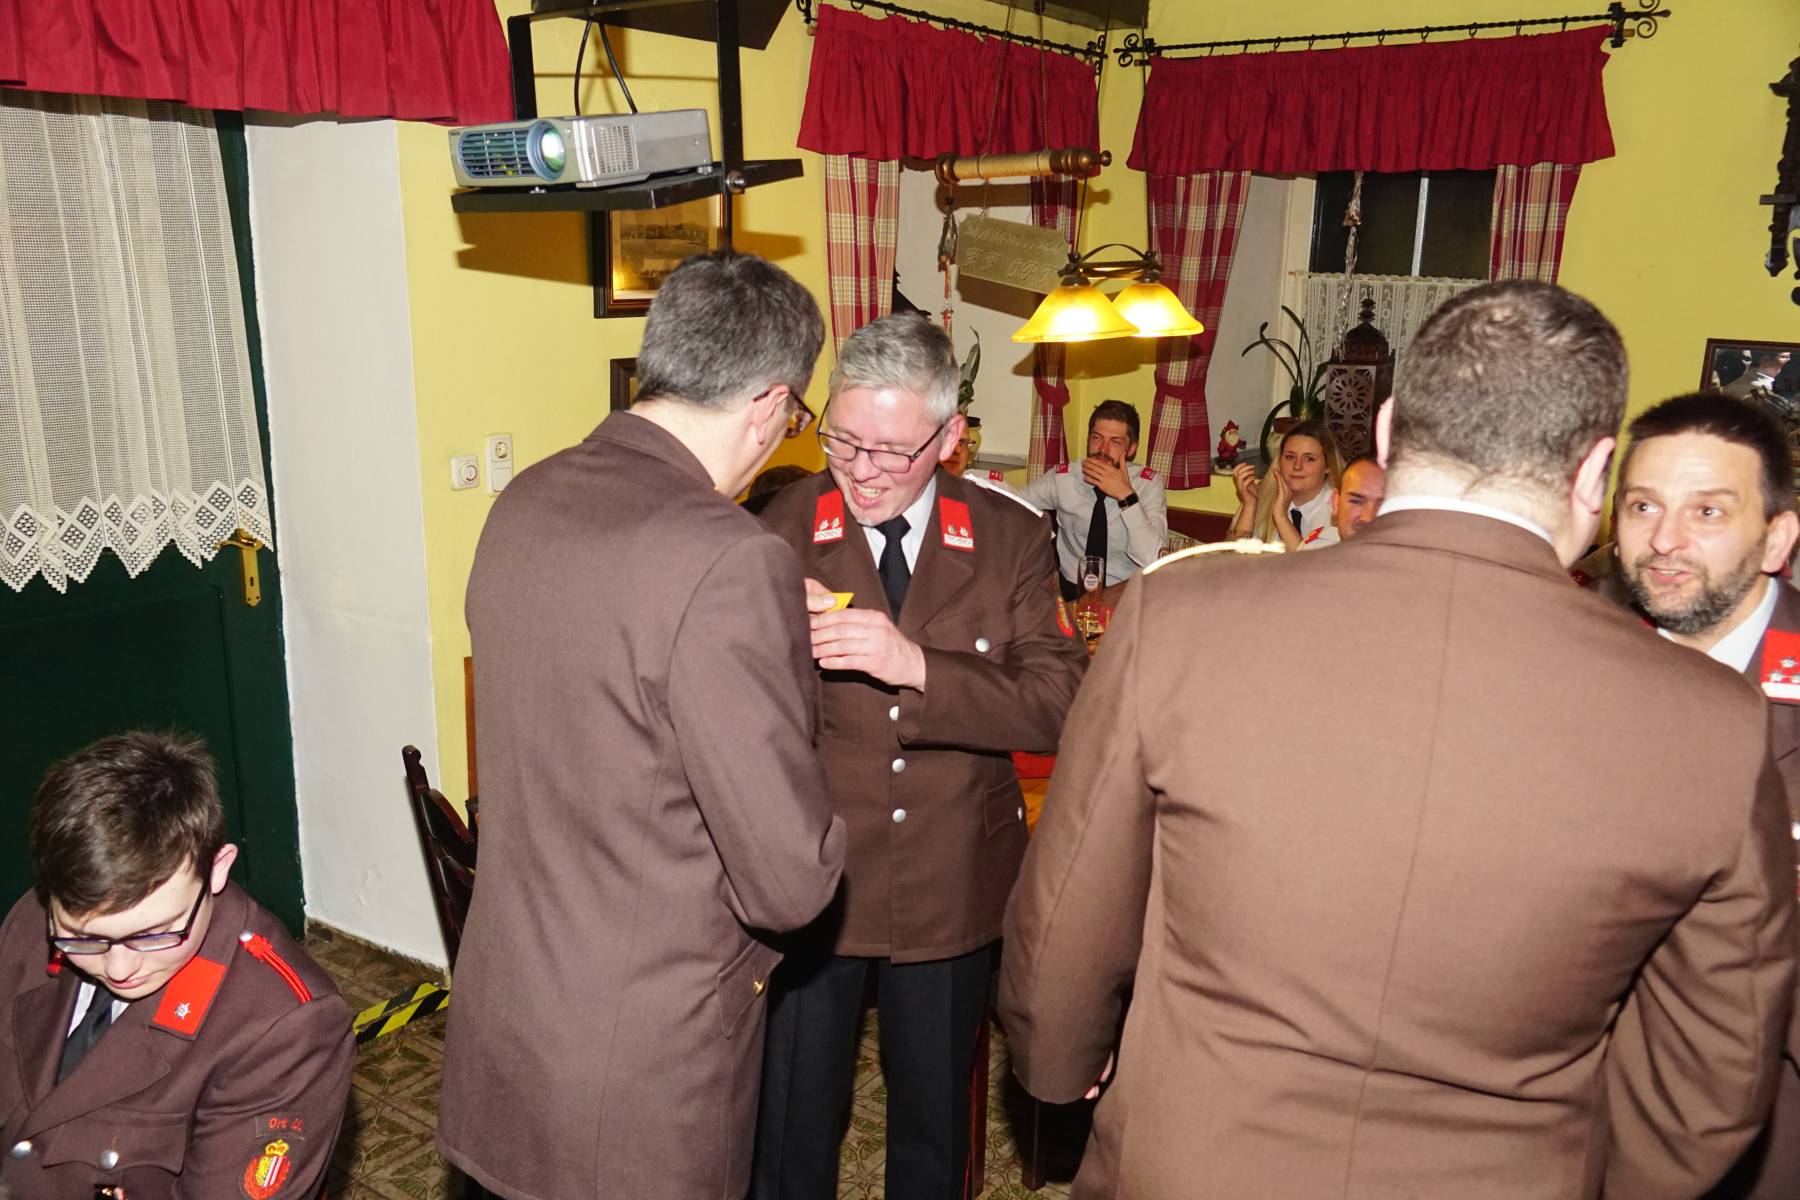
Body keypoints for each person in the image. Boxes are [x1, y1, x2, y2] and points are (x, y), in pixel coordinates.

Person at [1000, 280, 1797, 1200]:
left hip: (1196, 1158)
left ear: (1385, 434)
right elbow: (1717, 1062)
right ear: (1596, 474)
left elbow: (1068, 910)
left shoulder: (1180, 619)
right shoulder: (1712, 719)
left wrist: (1057, 1065)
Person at [438, 251, 848, 1200]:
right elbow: (788, 882)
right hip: (637, 1061)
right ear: (769, 404)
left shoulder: (528, 496)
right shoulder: (729, 557)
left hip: (508, 1006)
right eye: (795, 419)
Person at [752, 313, 1087, 1200]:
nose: (861, 470)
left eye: (892, 452)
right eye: (842, 442)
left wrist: (917, 667)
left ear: (948, 438)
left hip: (951, 876)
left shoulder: (1009, 536)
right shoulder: (779, 529)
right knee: (790, 1126)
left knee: (935, 1133)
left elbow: (1063, 704)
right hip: (815, 877)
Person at [0, 731, 353, 1199]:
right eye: (85, 938)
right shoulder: (32, 919)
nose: (120, 967)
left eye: (155, 933)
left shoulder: (284, 1027)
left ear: (218, 868)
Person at [1603, 392, 1800, 1200]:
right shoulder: (1569, 664)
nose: (1665, 540)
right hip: (1567, 1120)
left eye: (1708, 511)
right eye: (1643, 506)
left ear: (1777, 539)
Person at [1012, 399, 1169, 599]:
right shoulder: (1064, 478)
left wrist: (1126, 496)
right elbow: (1011, 502)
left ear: (1131, 449)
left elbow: (1154, 559)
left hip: (1126, 593)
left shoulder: (1148, 484)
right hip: (1071, 592)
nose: (1103, 449)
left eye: (1115, 442)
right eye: (1097, 438)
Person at [1227, 418, 1344, 549]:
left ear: (1328, 466)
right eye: (1290, 457)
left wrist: (1281, 517)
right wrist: (1250, 506)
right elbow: (1234, 557)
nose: (1297, 466)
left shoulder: (1340, 509)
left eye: (1309, 459)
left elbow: (1308, 561)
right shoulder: (1262, 496)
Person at [1325, 455, 1386, 543]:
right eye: (1356, 501)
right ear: (1336, 502)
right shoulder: (1314, 548)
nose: (1368, 518)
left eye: (1383, 505)